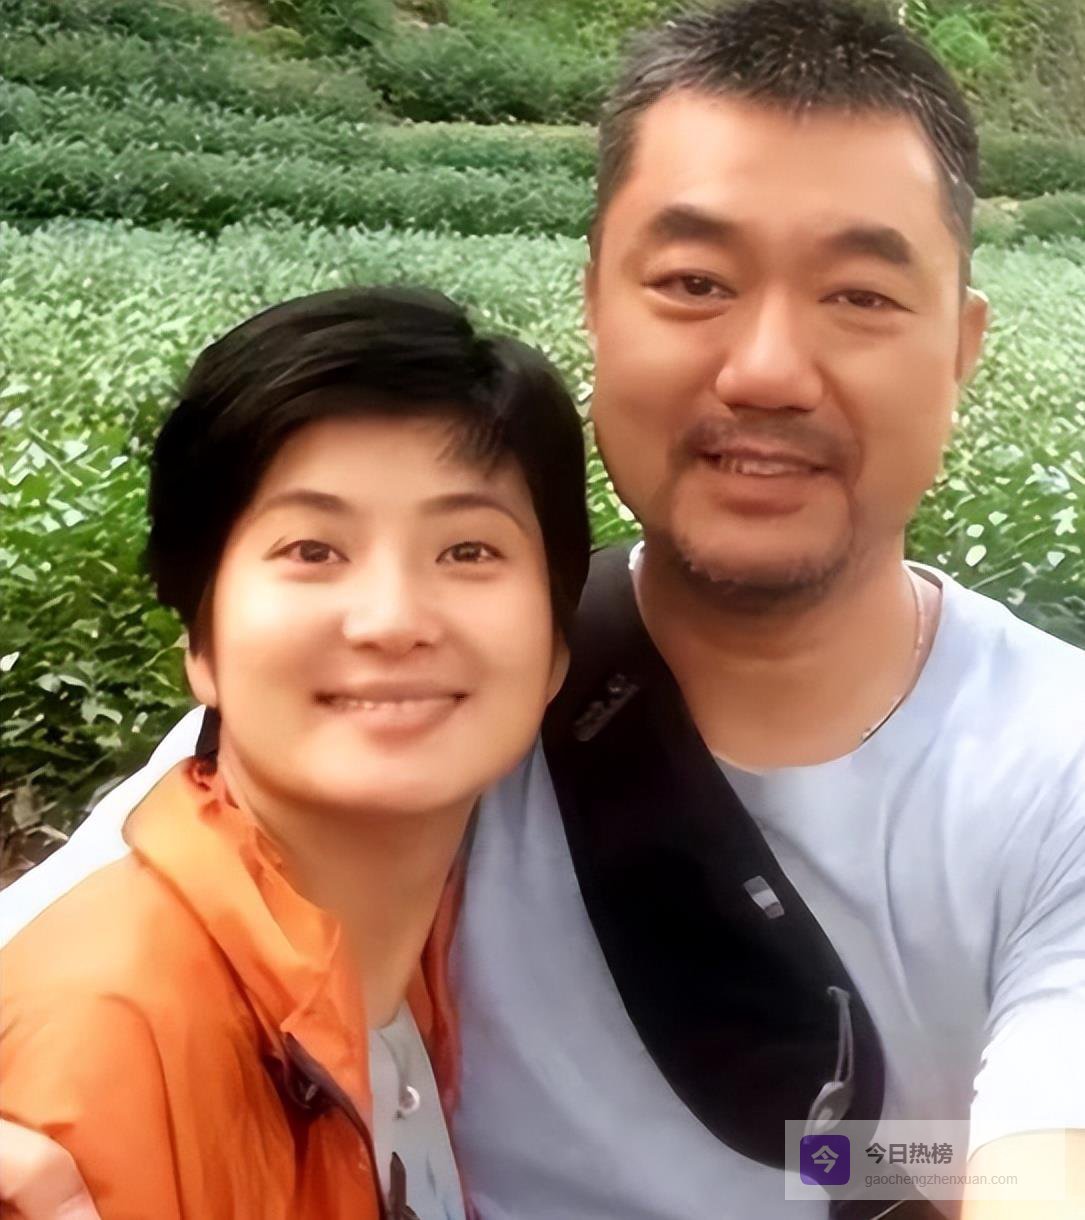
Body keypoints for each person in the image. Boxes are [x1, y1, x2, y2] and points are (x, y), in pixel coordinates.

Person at [2, 1, 1083, 1218]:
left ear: (961, 345)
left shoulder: (1056, 768)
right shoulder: (424, 687)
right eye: (693, 281)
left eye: (860, 296)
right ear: (593, 307)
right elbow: (111, 942)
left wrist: (900, 1171)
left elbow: (1027, 1156)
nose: (768, 370)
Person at [0, 286, 590, 1219]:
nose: (392, 620)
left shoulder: (412, 964)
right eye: (313, 550)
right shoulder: (113, 1032)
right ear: (201, 644)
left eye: (468, 551)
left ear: (556, 647)